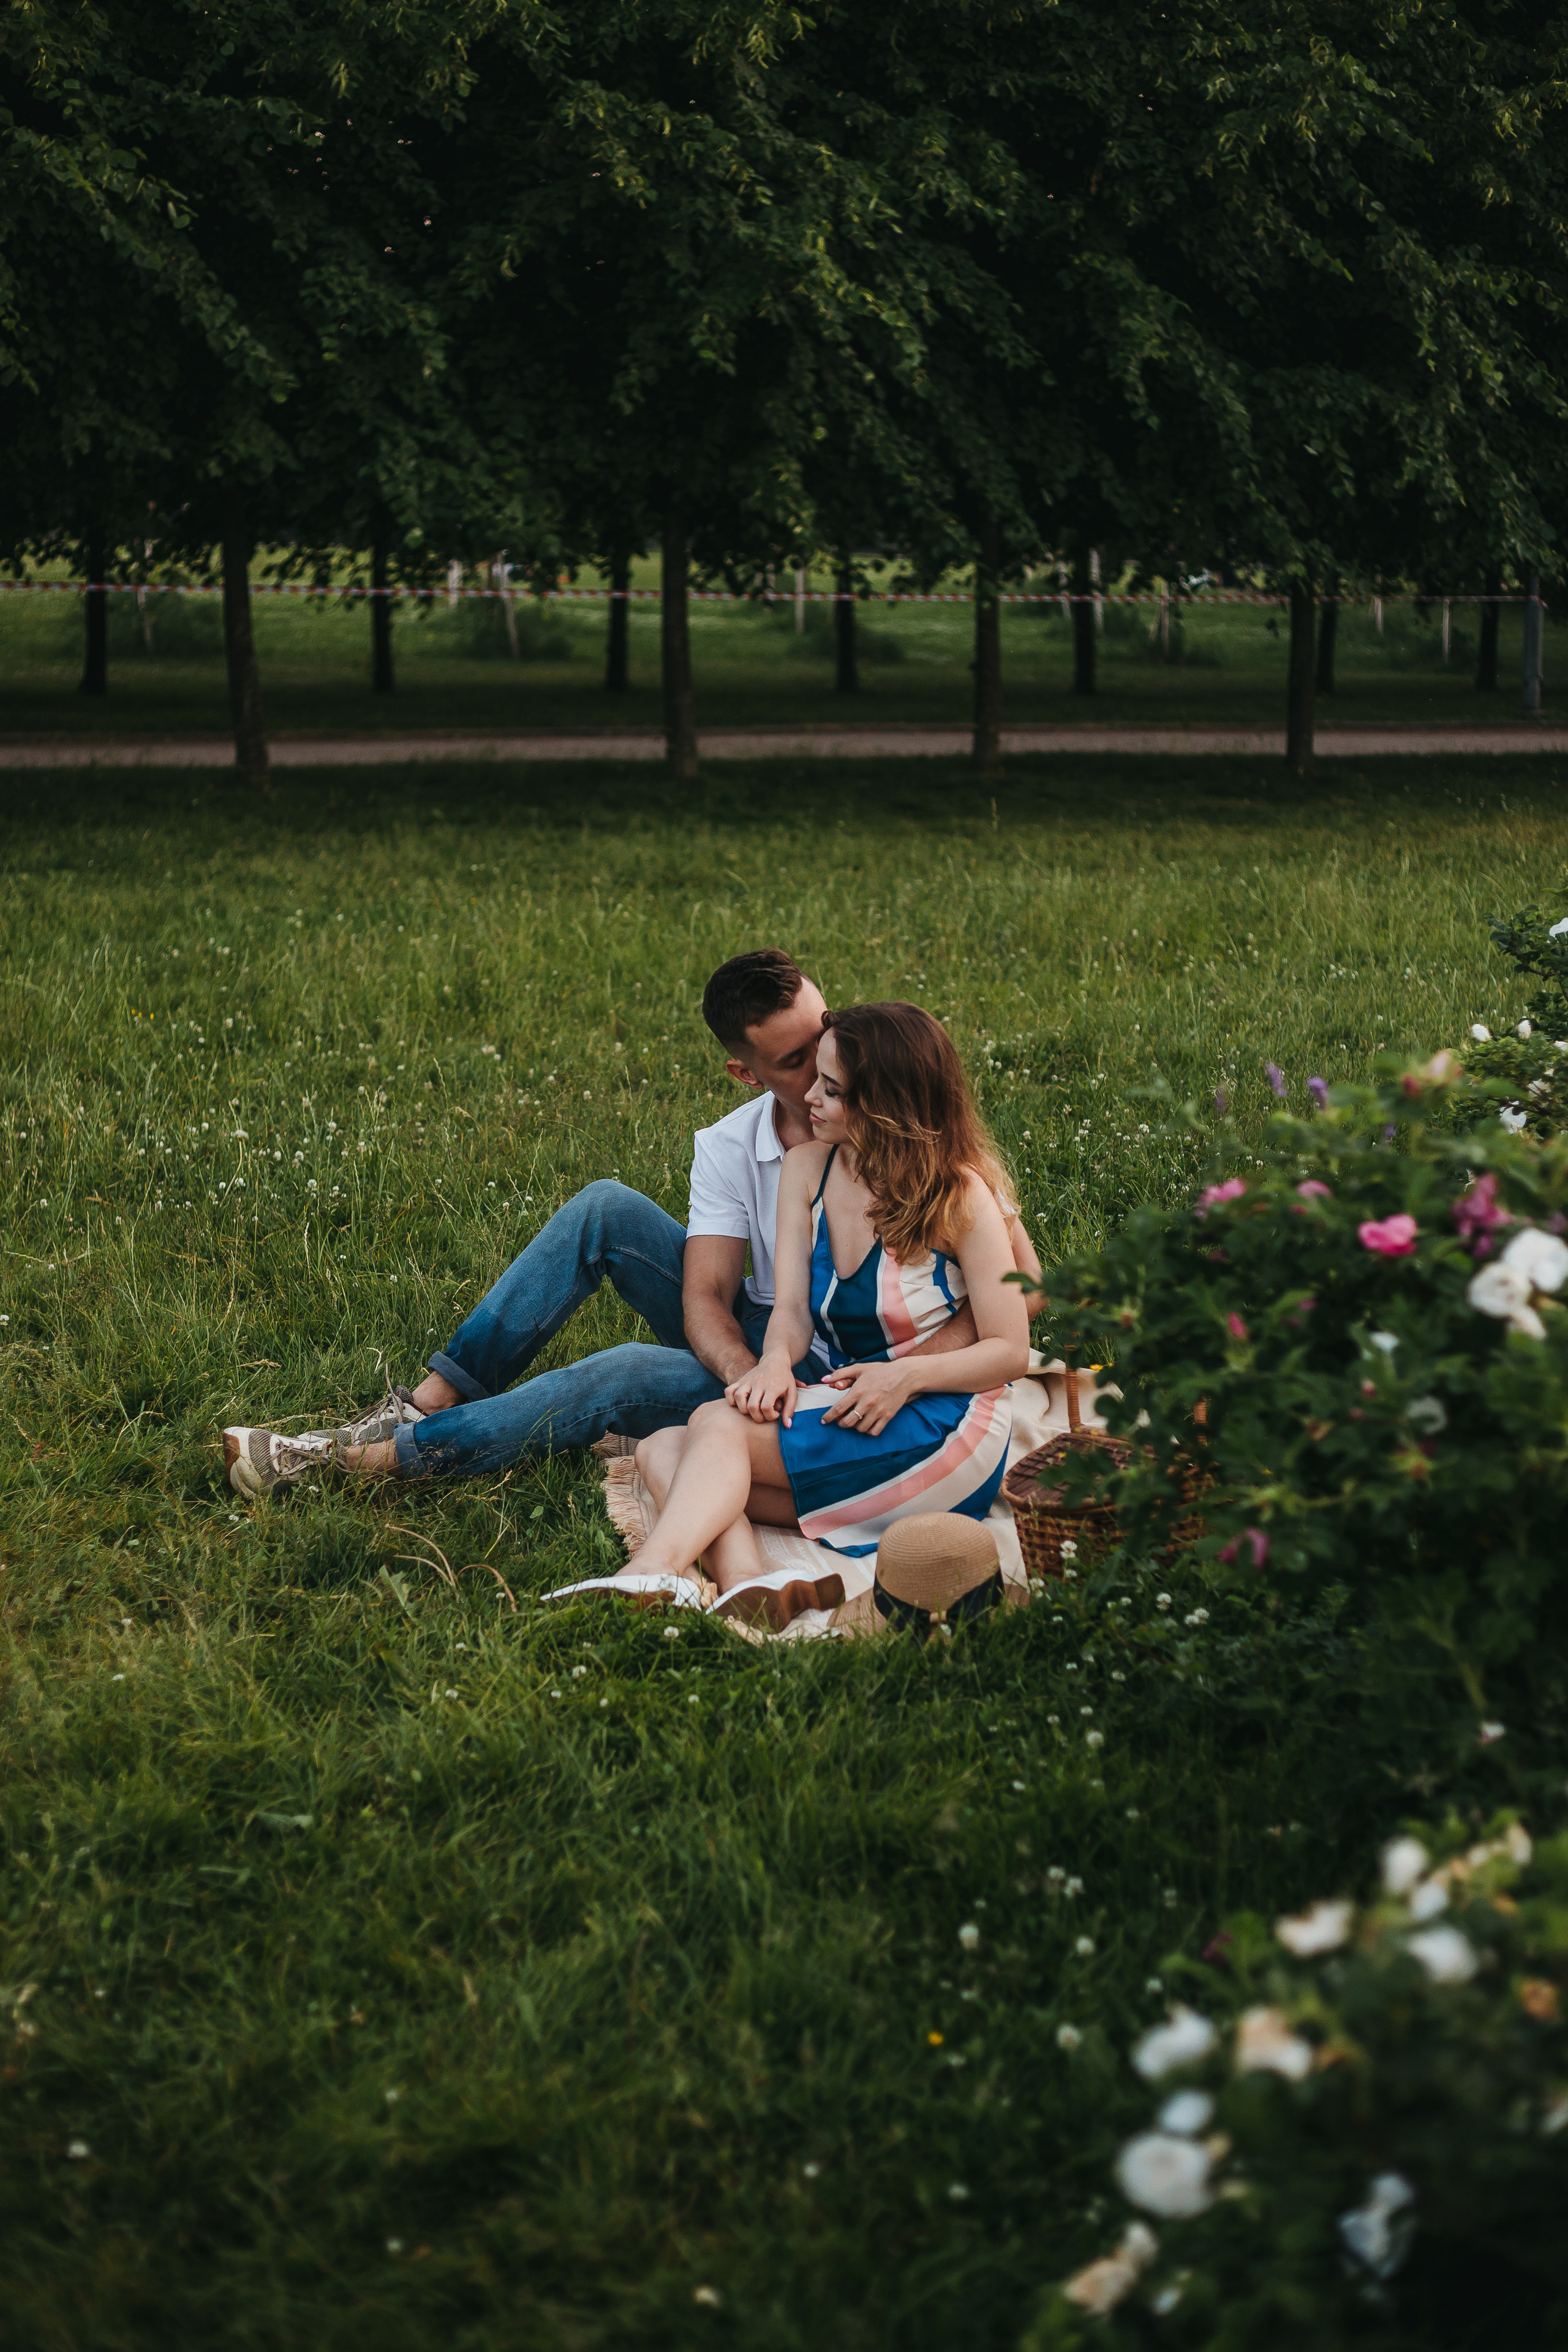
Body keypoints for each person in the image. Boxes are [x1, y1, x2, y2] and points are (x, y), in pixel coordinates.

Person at [224, 950, 1042, 1498]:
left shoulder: (910, 1133)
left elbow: (1025, 1291)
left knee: (616, 1372)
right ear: (745, 1070)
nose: (822, 1067)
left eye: (826, 1041)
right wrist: (751, 1380)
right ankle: (425, 1403)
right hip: (774, 1342)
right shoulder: (734, 1148)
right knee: (606, 1208)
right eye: (797, 1063)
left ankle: (373, 1464)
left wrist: (910, 1367)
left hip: (864, 1353)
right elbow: (704, 1302)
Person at [624, 1002, 1030, 1607]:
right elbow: (789, 1310)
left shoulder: (960, 1193)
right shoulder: (807, 1168)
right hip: (853, 1406)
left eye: (832, 1090)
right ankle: (751, 1585)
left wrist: (904, 1377)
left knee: (714, 1427)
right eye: (816, 1076)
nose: (808, 1097)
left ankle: (652, 1567)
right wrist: (773, 1365)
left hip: (942, 1425)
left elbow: (1010, 1349)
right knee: (663, 1448)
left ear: (886, 1104)